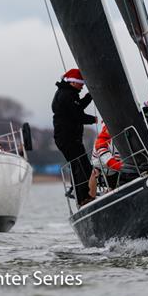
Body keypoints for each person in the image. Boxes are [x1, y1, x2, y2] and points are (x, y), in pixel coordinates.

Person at [52, 68, 98, 205]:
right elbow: (77, 115)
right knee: (80, 166)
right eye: (81, 83)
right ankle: (82, 196)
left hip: (71, 139)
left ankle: (81, 192)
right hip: (68, 139)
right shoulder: (66, 95)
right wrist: (93, 120)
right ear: (73, 82)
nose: (83, 85)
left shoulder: (68, 93)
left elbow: (78, 108)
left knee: (83, 165)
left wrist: (90, 96)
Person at [91, 124, 122, 189]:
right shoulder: (100, 142)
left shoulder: (117, 139)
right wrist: (127, 167)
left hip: (116, 173)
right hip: (102, 175)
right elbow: (109, 162)